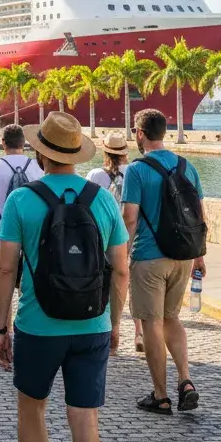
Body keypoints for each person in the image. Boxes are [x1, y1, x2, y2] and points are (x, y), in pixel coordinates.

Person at [0, 112, 130, 442]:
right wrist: (115, 323)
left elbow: (5, 267)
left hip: (38, 326)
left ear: (41, 154)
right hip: (92, 324)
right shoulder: (103, 200)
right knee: (85, 418)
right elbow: (121, 270)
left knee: (32, 409)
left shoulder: (21, 201)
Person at [121, 108, 206, 415]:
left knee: (151, 323)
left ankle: (161, 395)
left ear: (140, 134)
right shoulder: (187, 166)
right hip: (183, 256)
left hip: (149, 257)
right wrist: (200, 255)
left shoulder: (136, 169)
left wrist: (121, 255)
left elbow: (130, 217)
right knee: (172, 319)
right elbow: (199, 215)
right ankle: (185, 380)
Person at [85, 132, 140, 351]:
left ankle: (110, 328)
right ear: (125, 153)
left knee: (104, 282)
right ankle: (139, 333)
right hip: (132, 235)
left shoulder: (95, 175)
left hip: (103, 236)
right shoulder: (134, 173)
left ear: (104, 151)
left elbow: (85, 208)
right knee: (133, 283)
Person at [0, 124, 44, 272]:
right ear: (23, 142)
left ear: (3, 142)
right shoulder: (38, 167)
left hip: (1, 234)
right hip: (32, 234)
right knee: (28, 282)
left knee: (2, 278)